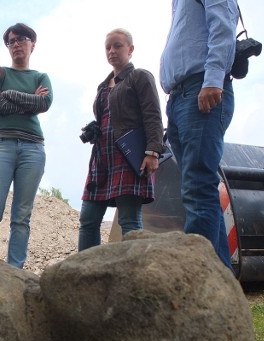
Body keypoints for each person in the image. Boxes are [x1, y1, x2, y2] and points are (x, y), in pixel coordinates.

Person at [160, 0, 238, 269]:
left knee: (197, 188)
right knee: (197, 190)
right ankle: (219, 283)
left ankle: (197, 279)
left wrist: (214, 78)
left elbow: (224, 23)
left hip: (200, 89)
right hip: (180, 95)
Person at [0, 23, 53, 269]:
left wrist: (10, 95)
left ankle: (15, 272)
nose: (16, 44)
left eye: (21, 39)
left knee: (22, 218)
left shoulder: (41, 76)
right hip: (0, 146)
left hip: (33, 149)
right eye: (11, 41)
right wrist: (31, 101)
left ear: (33, 44)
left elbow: (45, 103)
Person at [78, 28, 164, 251]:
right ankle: (86, 274)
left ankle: (135, 275)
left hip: (127, 158)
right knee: (87, 219)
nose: (112, 51)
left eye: (117, 46)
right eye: (108, 47)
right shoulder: (102, 86)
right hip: (102, 159)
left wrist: (153, 152)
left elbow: (153, 115)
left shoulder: (140, 77)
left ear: (130, 49)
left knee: (129, 221)